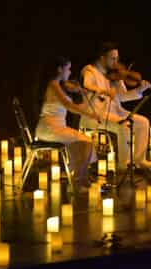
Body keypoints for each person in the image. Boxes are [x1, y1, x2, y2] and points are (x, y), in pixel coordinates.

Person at [79, 42, 151, 171]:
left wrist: (140, 90)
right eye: (113, 58)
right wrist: (103, 90)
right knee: (124, 126)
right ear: (102, 58)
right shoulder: (89, 70)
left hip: (115, 113)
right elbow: (87, 84)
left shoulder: (114, 75)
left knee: (143, 122)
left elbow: (122, 96)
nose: (116, 62)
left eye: (117, 59)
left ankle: (140, 160)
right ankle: (124, 164)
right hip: (95, 115)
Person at [35, 56, 99, 193]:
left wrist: (89, 96)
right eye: (68, 69)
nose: (70, 73)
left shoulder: (58, 85)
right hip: (49, 128)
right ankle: (77, 180)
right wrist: (90, 115)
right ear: (59, 69)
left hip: (57, 127)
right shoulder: (53, 84)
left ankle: (80, 177)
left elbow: (77, 106)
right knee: (85, 142)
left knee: (85, 141)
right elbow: (68, 105)